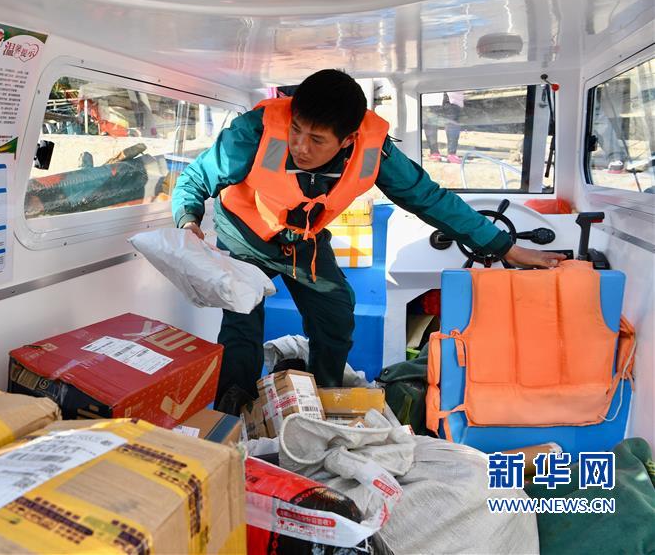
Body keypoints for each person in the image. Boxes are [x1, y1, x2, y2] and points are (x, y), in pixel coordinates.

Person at [172, 69, 565, 415]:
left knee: (337, 313)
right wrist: (188, 222)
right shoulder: (255, 132)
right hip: (245, 237)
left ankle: (321, 401)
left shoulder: (373, 149)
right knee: (242, 323)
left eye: (318, 139)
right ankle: (231, 414)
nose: (301, 147)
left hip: (302, 243)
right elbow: (193, 181)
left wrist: (504, 247)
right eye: (296, 131)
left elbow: (429, 198)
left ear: (346, 141)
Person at [422, 91, 464, 163]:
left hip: (435, 94)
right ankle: (450, 154)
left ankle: (436, 153)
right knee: (451, 124)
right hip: (448, 94)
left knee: (432, 123)